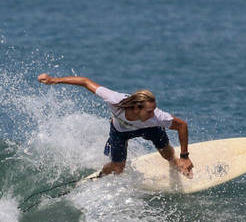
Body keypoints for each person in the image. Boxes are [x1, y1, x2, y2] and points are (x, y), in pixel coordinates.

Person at [37, 73, 193, 177]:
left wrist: (184, 156)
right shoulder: (115, 100)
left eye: (153, 110)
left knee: (166, 153)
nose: (153, 114)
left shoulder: (156, 118)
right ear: (136, 108)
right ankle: (99, 177)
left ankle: (175, 163)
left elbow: (181, 125)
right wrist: (54, 80)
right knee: (118, 168)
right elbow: (85, 82)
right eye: (149, 111)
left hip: (149, 129)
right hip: (120, 131)